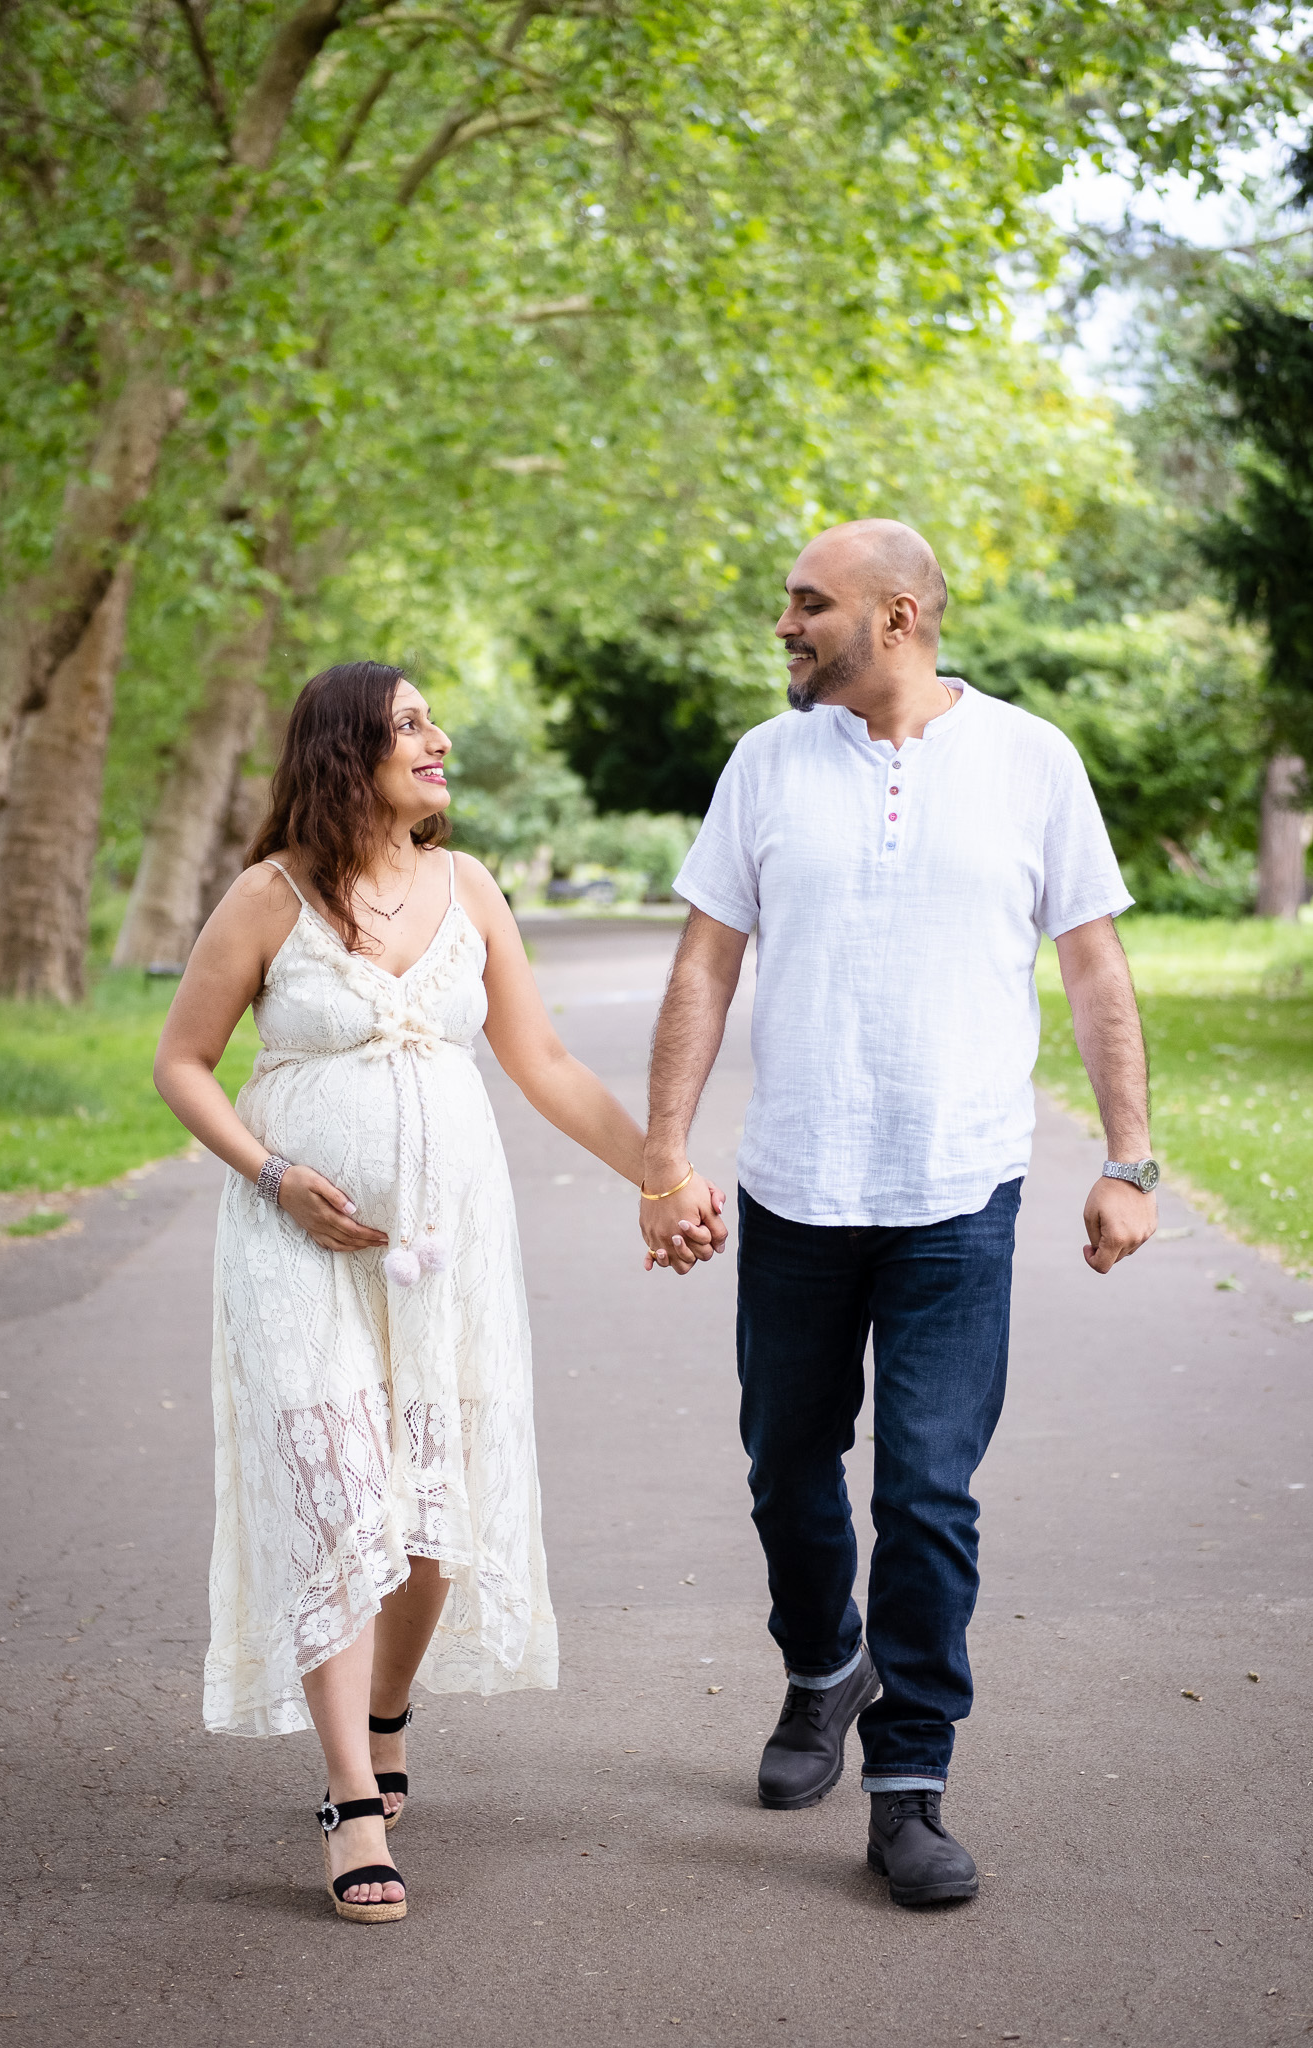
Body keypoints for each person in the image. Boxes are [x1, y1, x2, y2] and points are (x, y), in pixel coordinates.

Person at [637, 519, 1157, 1908]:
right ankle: (822, 1667)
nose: (786, 627)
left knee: (926, 1491)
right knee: (786, 1468)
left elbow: (1095, 970)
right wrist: (664, 1159)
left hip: (956, 1191)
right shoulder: (766, 764)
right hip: (795, 1187)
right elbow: (703, 970)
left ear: (901, 617)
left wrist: (1132, 1158)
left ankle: (909, 1783)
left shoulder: (1031, 761)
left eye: (809, 605)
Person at [154, 660, 657, 1924]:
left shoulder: (469, 885)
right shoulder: (268, 898)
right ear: (345, 752)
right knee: (333, 1499)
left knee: (431, 1530)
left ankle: (387, 1709)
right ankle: (348, 1797)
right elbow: (183, 1062)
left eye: (433, 719)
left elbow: (539, 1060)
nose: (441, 738)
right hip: (297, 1244)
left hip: (450, 1248)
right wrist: (274, 1175)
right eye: (411, 723)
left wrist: (662, 1169)